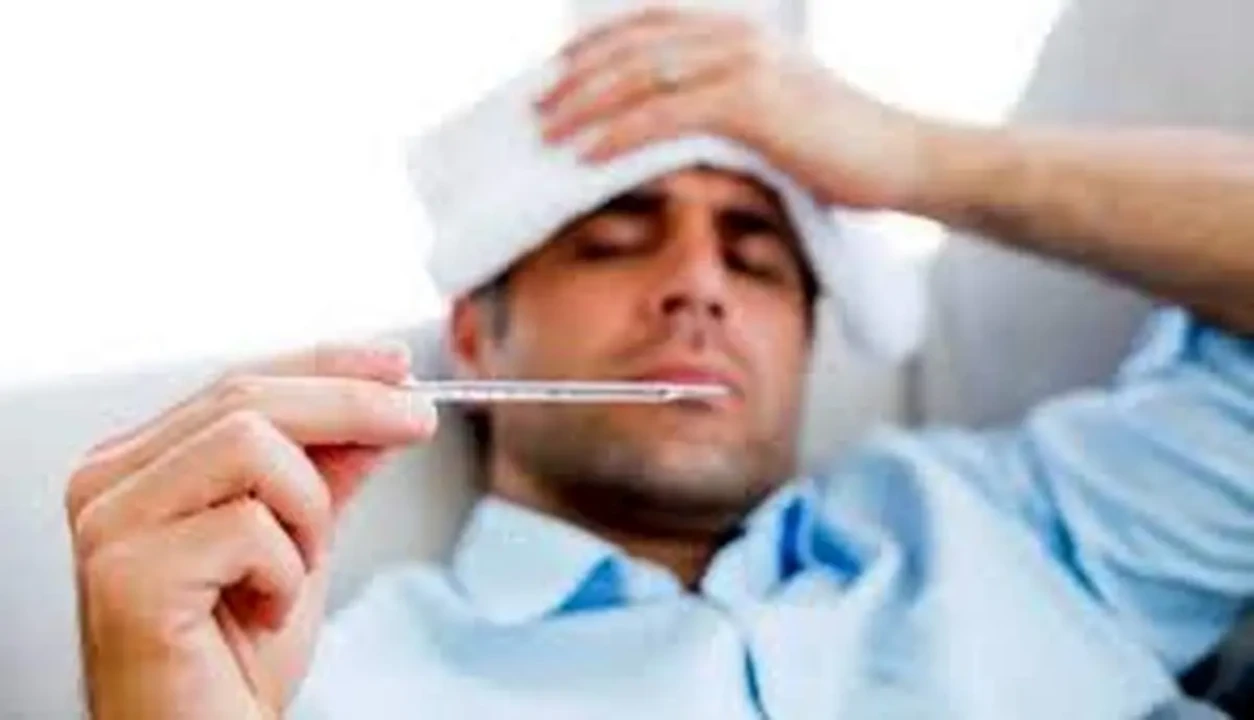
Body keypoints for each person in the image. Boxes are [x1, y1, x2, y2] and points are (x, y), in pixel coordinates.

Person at [65, 8, 1253, 719]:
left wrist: (912, 160)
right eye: (616, 241)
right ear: (475, 337)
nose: (699, 285)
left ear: (809, 340)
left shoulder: (1023, 523)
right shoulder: (317, 683)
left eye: (757, 256)